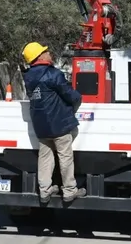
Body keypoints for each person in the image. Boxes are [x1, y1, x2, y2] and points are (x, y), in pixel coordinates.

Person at [21, 41, 85, 204]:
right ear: (40, 56)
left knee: (45, 158)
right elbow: (70, 95)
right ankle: (70, 190)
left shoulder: (28, 77)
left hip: (41, 126)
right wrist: (77, 100)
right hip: (59, 124)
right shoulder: (53, 74)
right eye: (46, 51)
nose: (49, 53)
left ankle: (44, 191)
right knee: (65, 156)